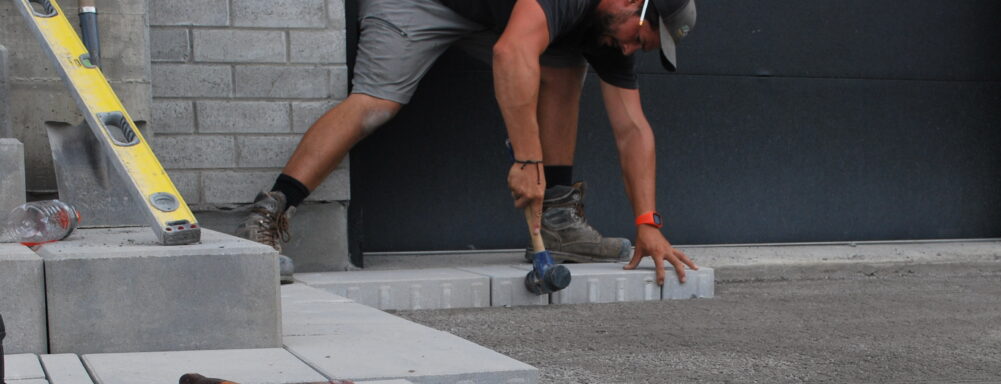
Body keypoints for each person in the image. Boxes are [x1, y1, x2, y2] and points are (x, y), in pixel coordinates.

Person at [235, 0, 699, 286]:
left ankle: (556, 221)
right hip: (422, 2)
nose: (630, 51)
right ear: (635, 3)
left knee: (564, 63)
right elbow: (510, 53)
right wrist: (526, 160)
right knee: (377, 102)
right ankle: (272, 210)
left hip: (497, 13)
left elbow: (633, 129)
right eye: (640, 39)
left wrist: (648, 223)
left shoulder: (608, 31)